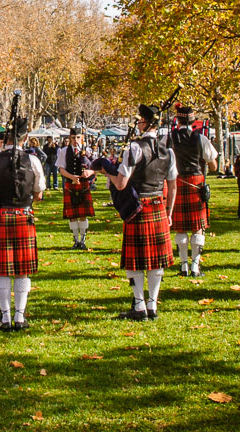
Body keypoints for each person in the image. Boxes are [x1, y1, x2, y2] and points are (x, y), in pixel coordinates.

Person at [0, 116, 45, 331]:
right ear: (25, 138)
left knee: (2, 270)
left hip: (0, 217)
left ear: (5, 138)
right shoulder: (34, 161)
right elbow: (39, 193)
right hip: (23, 216)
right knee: (22, 270)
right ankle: (20, 318)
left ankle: (5, 318)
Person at [109, 104, 177, 321]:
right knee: (156, 260)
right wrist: (169, 212)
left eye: (139, 121)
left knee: (135, 259)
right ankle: (152, 304)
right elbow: (173, 185)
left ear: (146, 123)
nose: (137, 124)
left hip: (137, 207)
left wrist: (105, 171)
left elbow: (120, 184)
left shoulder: (134, 148)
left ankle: (139, 305)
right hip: (158, 205)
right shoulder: (169, 151)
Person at [168, 105, 218, 277]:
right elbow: (213, 165)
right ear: (192, 121)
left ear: (178, 120)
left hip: (177, 181)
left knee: (180, 228)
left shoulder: (169, 138)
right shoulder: (201, 138)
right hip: (196, 182)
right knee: (198, 227)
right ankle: (195, 266)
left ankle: (183, 266)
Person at [56, 127, 95, 249]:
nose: (75, 140)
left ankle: (82, 240)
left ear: (82, 138)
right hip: (70, 184)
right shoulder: (63, 151)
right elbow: (61, 169)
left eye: (78, 137)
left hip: (83, 185)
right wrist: (72, 177)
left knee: (83, 214)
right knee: (72, 215)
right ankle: (76, 240)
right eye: (73, 138)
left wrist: (89, 172)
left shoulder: (87, 151)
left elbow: (96, 168)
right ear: (69, 138)